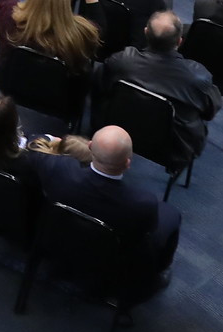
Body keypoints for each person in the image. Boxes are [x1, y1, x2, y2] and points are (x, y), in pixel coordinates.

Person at [37, 124, 183, 290]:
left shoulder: (59, 169)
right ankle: (156, 275)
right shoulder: (142, 203)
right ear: (128, 163)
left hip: (56, 244)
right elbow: (146, 233)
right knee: (171, 214)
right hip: (109, 265)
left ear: (90, 146)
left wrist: (51, 138)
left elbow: (35, 142)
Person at [98, 11, 220, 158]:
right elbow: (210, 111)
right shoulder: (198, 77)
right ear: (180, 41)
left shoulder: (122, 60)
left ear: (145, 32)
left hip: (117, 127)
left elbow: (101, 86)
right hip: (169, 149)